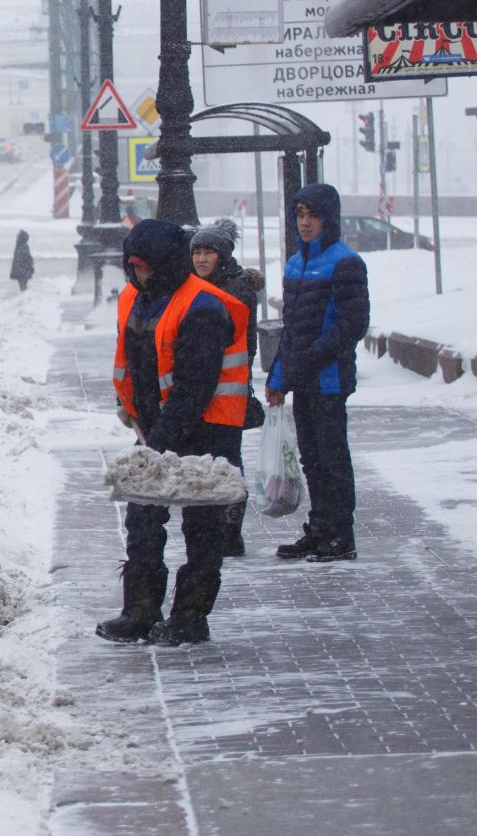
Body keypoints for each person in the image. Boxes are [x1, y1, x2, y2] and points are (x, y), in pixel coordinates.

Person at [97, 219, 251, 647]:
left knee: (202, 530)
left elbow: (193, 389)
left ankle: (189, 618)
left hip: (206, 433)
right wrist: (134, 416)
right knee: (143, 520)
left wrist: (158, 442)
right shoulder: (134, 297)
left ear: (164, 266)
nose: (137, 275)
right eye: (132, 268)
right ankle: (140, 612)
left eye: (144, 268)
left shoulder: (203, 306)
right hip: (155, 430)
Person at [267, 183, 369, 563]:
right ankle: (320, 528)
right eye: (300, 215)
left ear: (329, 219)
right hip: (301, 379)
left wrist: (307, 362)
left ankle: (341, 534)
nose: (306, 223)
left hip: (328, 380)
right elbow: (291, 329)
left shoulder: (346, 263)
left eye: (313, 216)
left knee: (332, 457)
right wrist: (278, 376)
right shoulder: (296, 263)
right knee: (311, 458)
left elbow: (352, 326)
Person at [190, 218, 266, 556]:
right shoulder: (200, 285)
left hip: (228, 390)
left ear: (222, 256)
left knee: (227, 460)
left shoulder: (235, 290)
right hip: (205, 389)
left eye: (208, 252)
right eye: (197, 252)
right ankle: (217, 529)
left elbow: (236, 343)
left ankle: (230, 532)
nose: (201, 259)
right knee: (212, 459)